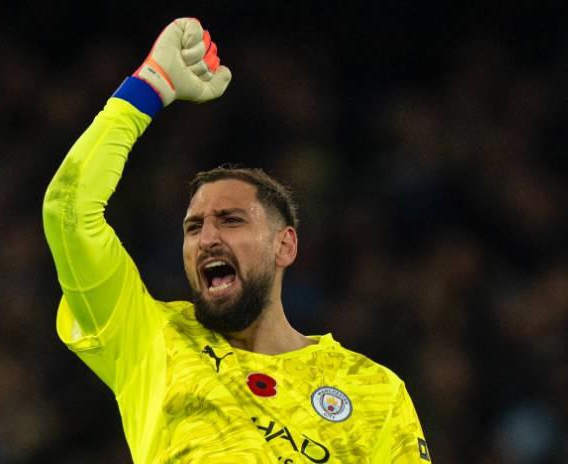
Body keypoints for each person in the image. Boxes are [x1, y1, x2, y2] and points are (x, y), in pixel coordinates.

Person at [43, 17, 431, 463]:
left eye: (231, 221)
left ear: (285, 245)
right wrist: (147, 89)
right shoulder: (150, 338)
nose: (207, 238)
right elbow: (68, 210)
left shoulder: (373, 391)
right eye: (193, 227)